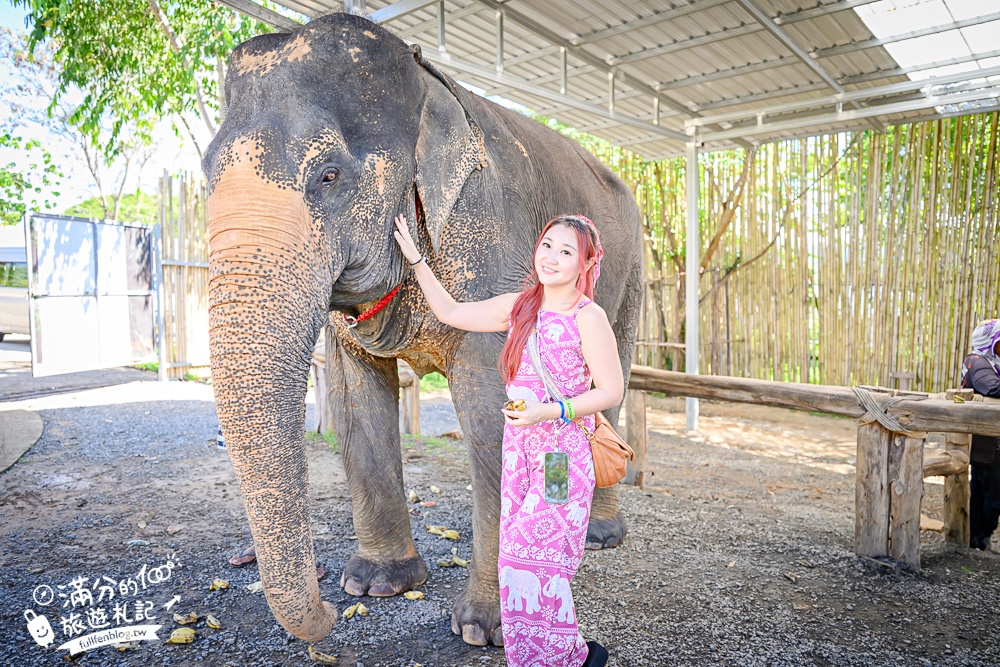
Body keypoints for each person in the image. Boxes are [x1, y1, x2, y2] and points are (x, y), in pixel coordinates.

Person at [394, 213, 619, 667]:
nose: (552, 257)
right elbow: (452, 313)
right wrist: (417, 260)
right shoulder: (520, 306)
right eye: (547, 245)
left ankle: (566, 659)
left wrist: (549, 411)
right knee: (512, 565)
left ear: (586, 263)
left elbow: (611, 391)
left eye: (566, 251)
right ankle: (553, 656)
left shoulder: (588, 317)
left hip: (560, 456)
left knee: (533, 558)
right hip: (519, 453)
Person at [961, 318, 1000, 551]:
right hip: (987, 443)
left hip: (989, 442)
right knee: (993, 497)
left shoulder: (989, 362)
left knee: (982, 490)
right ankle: (979, 537)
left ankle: (977, 539)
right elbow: (993, 388)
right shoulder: (977, 361)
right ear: (988, 341)